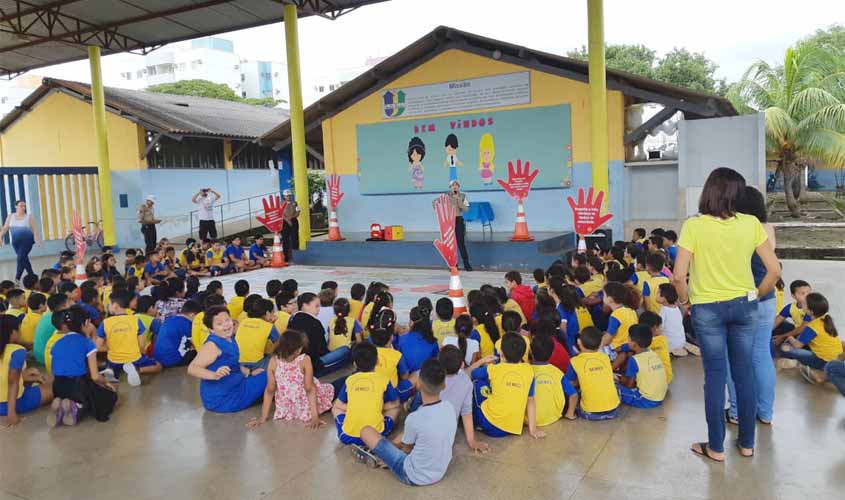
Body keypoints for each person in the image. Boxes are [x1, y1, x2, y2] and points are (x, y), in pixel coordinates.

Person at [673, 167, 780, 462]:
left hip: (707, 309)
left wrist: (686, 301)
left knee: (716, 377)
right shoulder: (750, 224)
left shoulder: (693, 226)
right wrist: (756, 295)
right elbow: (774, 270)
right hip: (745, 307)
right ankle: (747, 445)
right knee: (744, 375)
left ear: (709, 191)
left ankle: (716, 448)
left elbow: (679, 276)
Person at [356, 359, 458, 486]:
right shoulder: (450, 407)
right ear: (444, 385)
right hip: (440, 472)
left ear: (419, 383)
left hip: (412, 475)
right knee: (410, 432)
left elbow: (407, 449)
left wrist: (391, 457)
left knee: (366, 431)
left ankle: (381, 456)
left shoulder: (415, 418)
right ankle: (388, 450)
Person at [726, 186, 779, 425]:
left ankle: (737, 412)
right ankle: (765, 412)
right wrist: (760, 293)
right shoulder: (768, 228)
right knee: (761, 356)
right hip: (766, 298)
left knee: (734, 358)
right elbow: (773, 268)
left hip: (742, 299)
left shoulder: (736, 229)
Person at [247, 329, 334, 429]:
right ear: (298, 350)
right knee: (336, 386)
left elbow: (270, 390)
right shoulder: (305, 360)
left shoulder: (274, 361)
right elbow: (309, 388)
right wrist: (315, 417)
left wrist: (263, 417)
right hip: (305, 407)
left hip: (287, 408)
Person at [188, 306, 267, 413]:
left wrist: (251, 372)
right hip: (224, 399)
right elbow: (192, 368)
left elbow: (234, 365)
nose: (226, 325)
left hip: (233, 386)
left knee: (262, 375)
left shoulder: (229, 338)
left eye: (227, 320)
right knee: (271, 374)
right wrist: (214, 375)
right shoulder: (212, 345)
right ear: (211, 329)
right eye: (219, 324)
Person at [49, 306, 117, 425]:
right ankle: (76, 407)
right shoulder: (87, 343)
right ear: (86, 322)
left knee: (76, 388)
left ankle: (60, 405)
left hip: (58, 387)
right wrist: (107, 383)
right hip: (77, 386)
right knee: (110, 397)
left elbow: (55, 369)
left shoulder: (56, 344)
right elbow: (95, 376)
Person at [469, 332, 544, 438]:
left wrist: (482, 360)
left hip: (490, 425)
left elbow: (469, 373)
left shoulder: (493, 368)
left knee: (477, 382)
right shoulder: (529, 370)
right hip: (513, 427)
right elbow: (530, 399)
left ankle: (476, 423)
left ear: (501, 353)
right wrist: (533, 429)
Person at [331, 342, 400, 446]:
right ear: (377, 361)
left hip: (347, 436)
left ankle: (357, 442)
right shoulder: (384, 380)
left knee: (335, 408)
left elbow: (339, 405)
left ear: (355, 364)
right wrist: (377, 406)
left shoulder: (350, 380)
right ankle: (372, 444)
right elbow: (396, 403)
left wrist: (357, 407)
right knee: (395, 410)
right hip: (377, 435)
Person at [96, 291, 162, 387]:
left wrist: (111, 347)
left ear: (115, 306)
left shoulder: (105, 323)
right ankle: (137, 369)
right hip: (134, 357)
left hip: (114, 359)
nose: (108, 306)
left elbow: (98, 346)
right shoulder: (136, 320)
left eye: (109, 304)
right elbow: (142, 345)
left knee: (112, 362)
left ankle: (112, 369)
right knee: (158, 366)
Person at [1, 315, 54, 426]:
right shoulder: (17, 351)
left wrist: (33, 377)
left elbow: (5, 375)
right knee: (55, 388)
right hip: (10, 404)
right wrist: (12, 414)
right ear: (12, 332)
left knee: (41, 379)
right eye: (19, 329)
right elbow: (12, 382)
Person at [780, 292, 842, 384]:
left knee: (785, 348)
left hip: (823, 361)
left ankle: (802, 365)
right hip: (836, 356)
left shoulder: (812, 326)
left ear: (811, 311)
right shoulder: (826, 318)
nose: (802, 304)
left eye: (804, 304)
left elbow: (797, 345)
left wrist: (789, 337)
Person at [564, 326, 620, 420]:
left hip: (590, 413)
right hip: (613, 411)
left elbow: (570, 384)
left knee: (570, 387)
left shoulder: (575, 361)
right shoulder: (605, 357)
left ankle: (570, 413)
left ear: (579, 342)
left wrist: (579, 381)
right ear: (599, 345)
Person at [618, 325, 668, 408]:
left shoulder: (634, 360)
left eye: (628, 339)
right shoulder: (653, 353)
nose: (627, 341)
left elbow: (629, 385)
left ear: (634, 344)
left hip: (646, 400)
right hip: (660, 396)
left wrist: (618, 380)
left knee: (615, 388)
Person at [287, 293, 336, 376]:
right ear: (305, 305)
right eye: (316, 306)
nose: (319, 309)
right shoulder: (315, 323)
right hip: (313, 362)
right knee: (345, 350)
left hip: (295, 359)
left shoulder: (292, 318)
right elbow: (322, 349)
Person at [530, 334, 574, 425]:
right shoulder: (557, 372)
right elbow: (573, 395)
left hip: (529, 420)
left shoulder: (526, 371)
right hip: (554, 416)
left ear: (530, 352)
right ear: (552, 353)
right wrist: (570, 413)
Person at [0, 200, 42, 282]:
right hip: (16, 242)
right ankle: (32, 275)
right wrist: (0, 237)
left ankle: (17, 278)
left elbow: (35, 230)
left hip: (27, 241)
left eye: (24, 206)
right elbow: (5, 228)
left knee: (20, 258)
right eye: (21, 206)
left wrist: (37, 240)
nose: (23, 208)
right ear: (16, 206)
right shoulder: (10, 216)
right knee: (24, 259)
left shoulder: (29, 217)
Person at [235, 298, 280, 373]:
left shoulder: (243, 321)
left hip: (238, 362)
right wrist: (273, 323)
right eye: (273, 312)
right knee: (276, 356)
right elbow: (279, 343)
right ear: (268, 313)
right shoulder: (268, 326)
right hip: (256, 363)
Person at [153, 300, 202, 368]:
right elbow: (197, 343)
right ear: (192, 315)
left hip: (158, 358)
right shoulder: (188, 324)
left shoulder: (169, 319)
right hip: (173, 361)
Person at [396, 306, 440, 373]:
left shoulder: (402, 339)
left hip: (408, 377)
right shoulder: (433, 341)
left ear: (411, 322)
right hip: (427, 377)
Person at [446, 180, 472, 271]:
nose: (455, 186)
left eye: (456, 185)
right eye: (453, 185)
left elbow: (466, 209)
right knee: (451, 244)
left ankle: (466, 264)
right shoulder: (446, 196)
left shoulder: (463, 196)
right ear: (450, 187)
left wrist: (458, 200)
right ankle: (453, 265)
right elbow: (440, 205)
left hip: (459, 220)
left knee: (461, 243)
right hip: (449, 221)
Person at [281, 189, 301, 262]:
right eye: (287, 196)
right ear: (284, 196)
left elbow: (298, 212)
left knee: (295, 238)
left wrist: (291, 217)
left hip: (293, 221)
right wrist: (287, 220)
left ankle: (296, 255)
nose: (288, 197)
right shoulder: (281, 203)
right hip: (285, 222)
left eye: (289, 195)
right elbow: (280, 213)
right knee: (285, 239)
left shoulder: (295, 203)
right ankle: (286, 257)